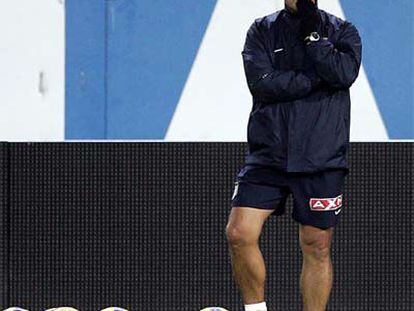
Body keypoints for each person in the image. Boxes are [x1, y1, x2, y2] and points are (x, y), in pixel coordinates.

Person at [226, 0, 362, 310]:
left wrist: (313, 37)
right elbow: (261, 84)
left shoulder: (343, 32)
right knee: (238, 233)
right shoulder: (261, 30)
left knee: (317, 245)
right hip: (267, 154)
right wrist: (315, 80)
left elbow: (342, 74)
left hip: (320, 157)